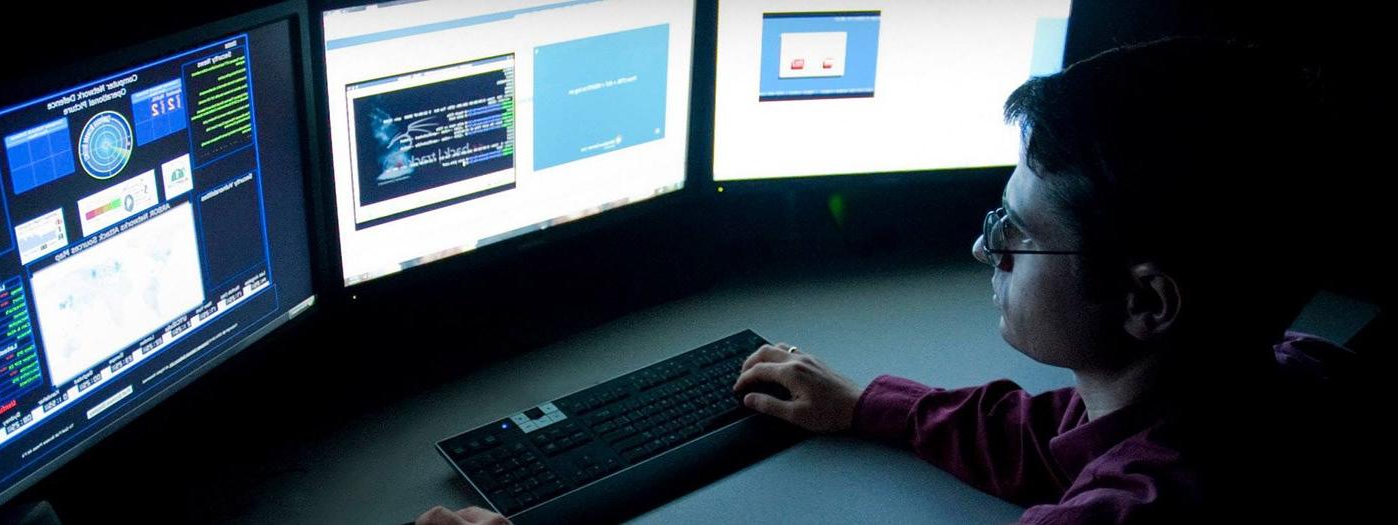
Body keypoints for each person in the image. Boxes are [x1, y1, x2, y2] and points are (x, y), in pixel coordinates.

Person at [415, 37, 1367, 525]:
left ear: (1150, 300)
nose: (984, 249)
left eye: (1017, 233)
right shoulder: (1286, 371)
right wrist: (871, 403)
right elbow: (1060, 437)